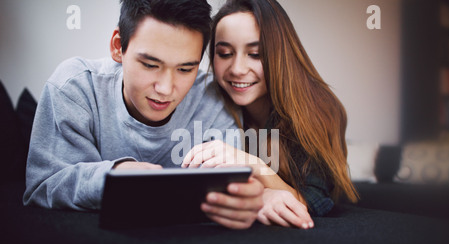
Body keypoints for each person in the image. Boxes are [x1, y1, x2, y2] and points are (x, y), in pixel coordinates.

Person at [23, 0, 264, 230]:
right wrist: (114, 176)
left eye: (185, 69)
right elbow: (43, 185)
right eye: (150, 65)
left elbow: (228, 185)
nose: (166, 89)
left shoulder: (214, 98)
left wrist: (241, 200)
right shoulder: (74, 86)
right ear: (118, 47)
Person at [182, 0, 359, 229]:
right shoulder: (208, 100)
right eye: (224, 53)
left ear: (280, 55)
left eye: (255, 54)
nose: (237, 68)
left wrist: (252, 164)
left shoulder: (318, 109)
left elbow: (315, 202)